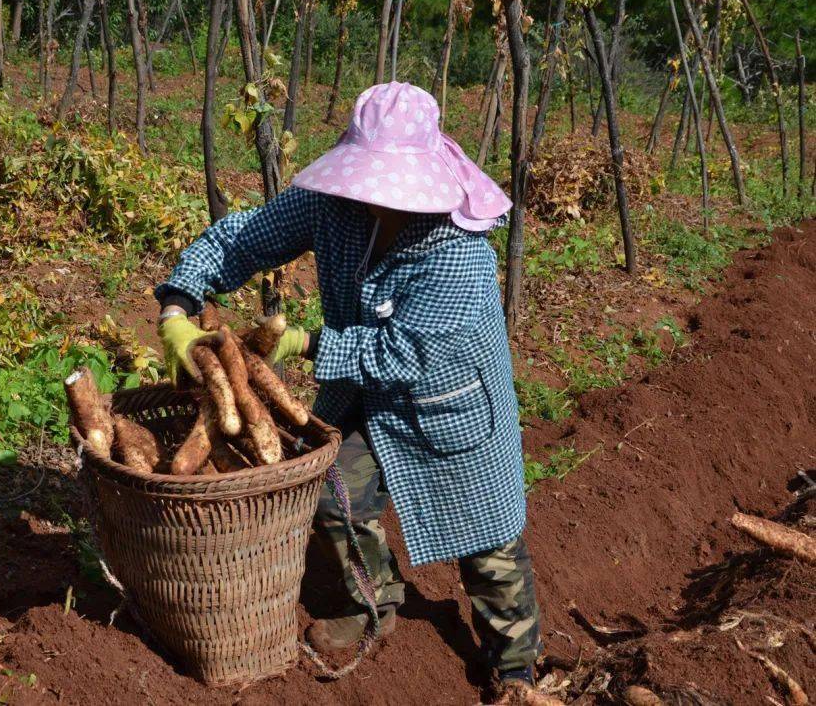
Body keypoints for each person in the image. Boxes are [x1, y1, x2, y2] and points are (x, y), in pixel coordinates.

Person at [154, 83, 542, 690]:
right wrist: (178, 305)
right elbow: (244, 237)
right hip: (365, 391)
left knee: (489, 544)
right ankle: (373, 606)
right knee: (335, 499)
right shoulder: (331, 206)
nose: (377, 198)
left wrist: (305, 343)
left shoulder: (457, 249)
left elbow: (410, 354)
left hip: (451, 403)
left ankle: (514, 668)